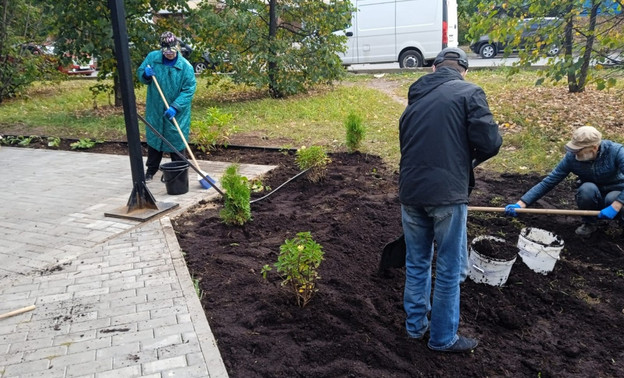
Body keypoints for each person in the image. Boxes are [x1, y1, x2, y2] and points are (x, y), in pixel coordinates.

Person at [399, 47, 502, 353]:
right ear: (464, 70)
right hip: (446, 194)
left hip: (411, 191)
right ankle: (443, 338)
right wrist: (466, 161)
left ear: (434, 68)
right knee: (447, 266)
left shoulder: (415, 98)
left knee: (416, 262)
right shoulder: (470, 92)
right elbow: (490, 142)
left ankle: (414, 328)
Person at [504, 126, 624, 236]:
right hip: (594, 194)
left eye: (579, 150)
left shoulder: (616, 152)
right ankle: (590, 224)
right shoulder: (571, 158)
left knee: (612, 198)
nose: (574, 152)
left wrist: (616, 205)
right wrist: (521, 204)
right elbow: (549, 181)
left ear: (594, 147)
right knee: (586, 189)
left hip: (618, 192)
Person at [137, 31, 197, 181]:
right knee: (155, 140)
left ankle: (178, 173)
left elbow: (189, 90)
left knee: (176, 140)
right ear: (161, 49)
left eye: (172, 52)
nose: (169, 54)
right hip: (156, 108)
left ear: (177, 48)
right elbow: (140, 74)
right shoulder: (152, 58)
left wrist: (176, 106)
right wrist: (145, 74)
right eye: (166, 52)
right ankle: (151, 170)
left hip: (177, 112)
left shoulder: (185, 67)